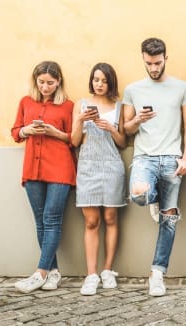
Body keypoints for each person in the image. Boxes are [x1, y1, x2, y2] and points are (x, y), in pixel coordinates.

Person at [123, 37, 186, 296]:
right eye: (149, 63)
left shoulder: (182, 88)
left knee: (169, 219)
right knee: (139, 195)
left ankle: (157, 273)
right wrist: (137, 120)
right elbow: (125, 128)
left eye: (157, 62)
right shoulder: (133, 89)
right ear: (143, 59)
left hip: (173, 159)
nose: (153, 68)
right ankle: (152, 195)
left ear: (166, 58)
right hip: (145, 159)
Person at [11, 61, 76, 293]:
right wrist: (26, 130)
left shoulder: (69, 106)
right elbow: (15, 132)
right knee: (40, 221)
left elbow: (73, 138)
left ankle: (39, 273)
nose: (45, 87)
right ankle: (54, 272)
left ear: (58, 82)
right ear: (35, 81)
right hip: (32, 169)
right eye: (41, 82)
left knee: (52, 219)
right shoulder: (25, 102)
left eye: (50, 82)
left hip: (60, 168)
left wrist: (53, 132)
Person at [71, 63, 127, 295]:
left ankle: (107, 270)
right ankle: (91, 274)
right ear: (91, 81)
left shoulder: (119, 106)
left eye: (104, 80)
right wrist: (80, 121)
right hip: (88, 166)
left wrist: (111, 129)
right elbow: (74, 142)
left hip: (112, 166)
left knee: (111, 218)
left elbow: (123, 143)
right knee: (91, 221)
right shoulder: (80, 105)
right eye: (96, 80)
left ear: (110, 82)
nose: (99, 84)